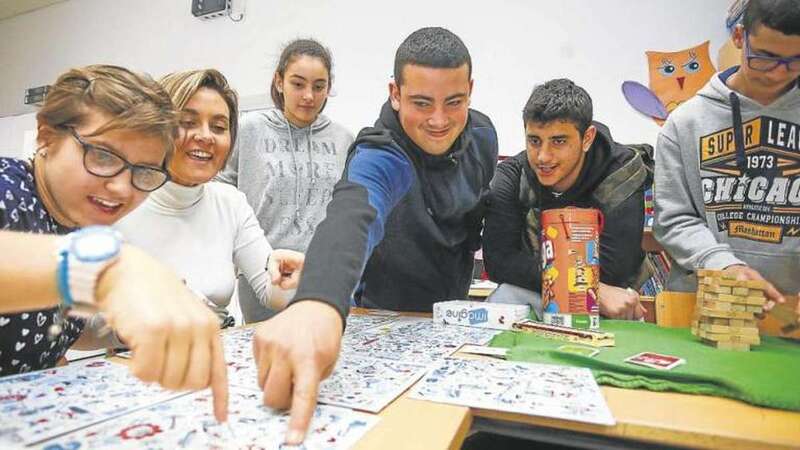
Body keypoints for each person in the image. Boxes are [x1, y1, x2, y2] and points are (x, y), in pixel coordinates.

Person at [250, 27, 498, 444]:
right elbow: (353, 216)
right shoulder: (380, 154)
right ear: (395, 93)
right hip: (380, 318)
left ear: (470, 91)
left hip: (451, 317)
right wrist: (318, 303)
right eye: (421, 103)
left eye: (453, 102)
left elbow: (472, 217)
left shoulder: (484, 136)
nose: (439, 120)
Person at [0, 65, 227, 420]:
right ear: (45, 136)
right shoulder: (8, 189)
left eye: (145, 172)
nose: (123, 188)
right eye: (103, 156)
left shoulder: (77, 223)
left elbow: (53, 331)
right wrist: (108, 271)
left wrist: (127, 326)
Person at [115, 69, 304, 326]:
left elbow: (271, 291)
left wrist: (296, 277)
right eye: (187, 122)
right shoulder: (118, 201)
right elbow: (78, 322)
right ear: (156, 128)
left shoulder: (231, 202)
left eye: (218, 127)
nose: (205, 136)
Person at [653, 0, 800, 321]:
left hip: (790, 317)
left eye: (794, 61)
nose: (779, 73)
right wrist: (725, 265)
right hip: (703, 308)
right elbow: (673, 219)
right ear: (738, 37)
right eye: (766, 57)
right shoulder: (685, 123)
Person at [483, 79, 652, 320]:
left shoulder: (623, 172)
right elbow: (499, 262)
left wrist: (590, 289)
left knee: (621, 304)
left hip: (604, 305)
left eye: (559, 141)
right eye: (534, 140)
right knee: (504, 296)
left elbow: (615, 272)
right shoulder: (512, 174)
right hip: (541, 292)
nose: (543, 156)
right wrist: (589, 286)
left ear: (587, 138)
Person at [217, 39, 353, 323]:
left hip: (323, 276)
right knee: (265, 359)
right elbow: (221, 196)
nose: (308, 96)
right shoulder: (247, 130)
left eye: (319, 86)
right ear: (279, 82)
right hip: (266, 275)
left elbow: (348, 210)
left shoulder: (343, 139)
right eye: (298, 84)